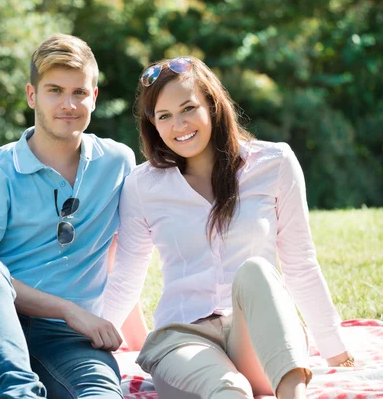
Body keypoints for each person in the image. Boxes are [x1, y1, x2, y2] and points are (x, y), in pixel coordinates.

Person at [102, 56, 354, 399]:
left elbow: (300, 264)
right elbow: (126, 278)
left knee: (257, 272)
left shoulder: (274, 163)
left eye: (189, 108)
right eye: (164, 116)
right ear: (153, 124)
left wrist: (335, 350)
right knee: (228, 388)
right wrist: (89, 347)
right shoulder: (143, 185)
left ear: (212, 105)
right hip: (182, 339)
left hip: (258, 337)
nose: (179, 125)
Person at [0, 34, 138, 398]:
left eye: (79, 92)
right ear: (32, 95)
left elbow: (123, 249)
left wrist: (126, 327)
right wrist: (67, 310)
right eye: (55, 91)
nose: (68, 104)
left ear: (94, 98)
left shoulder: (118, 163)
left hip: (70, 342)